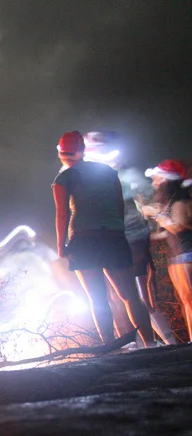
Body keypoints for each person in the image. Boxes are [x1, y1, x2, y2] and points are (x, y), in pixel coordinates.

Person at [51, 131, 155, 347]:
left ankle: (109, 347)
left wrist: (61, 247)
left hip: (84, 240)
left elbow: (62, 215)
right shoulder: (108, 172)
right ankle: (150, 345)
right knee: (130, 296)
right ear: (83, 150)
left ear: (61, 153)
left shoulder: (63, 179)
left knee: (98, 299)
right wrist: (115, 229)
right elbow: (119, 207)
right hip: (113, 237)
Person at [83, 132, 176, 345]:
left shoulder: (123, 175)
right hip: (116, 239)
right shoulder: (100, 176)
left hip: (130, 238)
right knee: (121, 296)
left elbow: (145, 201)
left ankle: (160, 343)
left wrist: (151, 217)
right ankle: (138, 342)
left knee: (136, 295)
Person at [141, 160, 192, 337]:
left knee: (190, 301)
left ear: (165, 181)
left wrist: (156, 214)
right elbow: (170, 232)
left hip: (187, 255)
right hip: (178, 256)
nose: (154, 183)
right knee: (186, 301)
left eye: (156, 179)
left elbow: (179, 226)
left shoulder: (180, 201)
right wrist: (148, 237)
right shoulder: (173, 201)